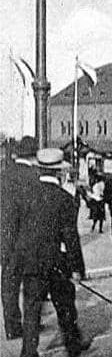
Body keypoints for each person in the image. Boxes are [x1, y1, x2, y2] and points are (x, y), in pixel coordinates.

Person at [18, 148, 89, 357]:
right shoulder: (65, 199)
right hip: (56, 261)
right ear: (59, 173)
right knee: (65, 303)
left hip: (30, 261)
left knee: (31, 308)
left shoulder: (26, 195)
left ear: (39, 169)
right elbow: (71, 237)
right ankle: (72, 344)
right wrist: (77, 268)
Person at [1, 136, 38, 341]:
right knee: (32, 284)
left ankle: (12, 327)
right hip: (29, 241)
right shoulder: (35, 176)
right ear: (33, 155)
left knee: (9, 284)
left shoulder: (4, 176)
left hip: (6, 240)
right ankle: (31, 323)